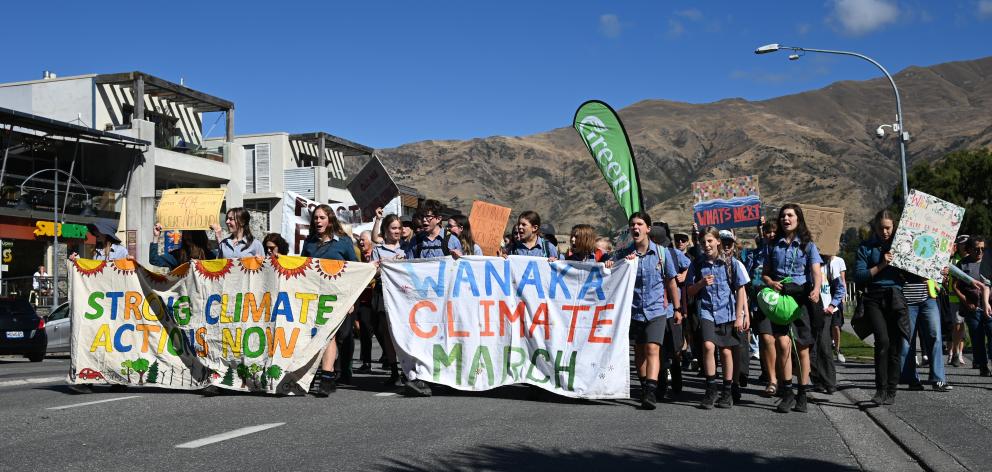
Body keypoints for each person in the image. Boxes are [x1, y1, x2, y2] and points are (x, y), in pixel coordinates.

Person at [606, 212, 680, 410]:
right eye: (632, 225)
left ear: (648, 228)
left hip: (656, 310)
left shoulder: (662, 254)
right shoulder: (624, 253)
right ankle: (644, 384)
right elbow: (611, 272)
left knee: (652, 349)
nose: (635, 228)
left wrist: (678, 308)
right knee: (638, 353)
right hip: (633, 310)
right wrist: (612, 265)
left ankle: (650, 391)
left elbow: (671, 281)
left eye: (639, 224)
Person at [761, 204, 822, 413]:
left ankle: (802, 393)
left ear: (798, 219)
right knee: (782, 344)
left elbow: (816, 271)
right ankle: (787, 392)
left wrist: (817, 289)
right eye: (783, 216)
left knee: (803, 348)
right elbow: (765, 274)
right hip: (780, 300)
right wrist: (771, 283)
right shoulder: (771, 245)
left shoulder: (808, 245)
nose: (786, 218)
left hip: (801, 300)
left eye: (790, 215)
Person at [687, 227, 749, 409]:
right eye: (703, 242)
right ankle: (710, 388)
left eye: (710, 241)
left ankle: (728, 390)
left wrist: (740, 316)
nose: (706, 245)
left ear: (717, 241)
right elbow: (689, 290)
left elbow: (740, 289)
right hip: (707, 311)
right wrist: (700, 283)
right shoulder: (697, 264)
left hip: (727, 311)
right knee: (707, 345)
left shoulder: (731, 263)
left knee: (726, 351)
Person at [301, 204, 358, 397]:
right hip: (316, 296)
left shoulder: (343, 242)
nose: (318, 221)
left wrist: (351, 299)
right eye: (315, 218)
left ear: (330, 220)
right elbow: (303, 269)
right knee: (326, 335)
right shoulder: (308, 243)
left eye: (322, 218)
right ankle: (326, 377)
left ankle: (333, 373)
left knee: (338, 335)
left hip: (340, 295)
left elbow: (354, 271)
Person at [855, 209, 909, 406]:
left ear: (894, 227)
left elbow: (914, 273)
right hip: (874, 298)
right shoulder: (866, 247)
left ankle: (892, 390)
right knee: (882, 341)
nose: (885, 232)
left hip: (895, 297)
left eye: (888, 228)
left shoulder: (903, 247)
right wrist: (882, 265)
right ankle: (880, 389)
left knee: (895, 345)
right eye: (881, 228)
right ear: (875, 228)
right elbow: (860, 276)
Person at [402, 200, 450, 397]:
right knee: (423, 338)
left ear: (438, 219)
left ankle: (446, 377)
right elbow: (408, 264)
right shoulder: (417, 240)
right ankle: (422, 377)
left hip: (446, 300)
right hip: (423, 301)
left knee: (445, 338)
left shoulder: (450, 240)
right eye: (422, 217)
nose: (424, 220)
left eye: (428, 217)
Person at [899, 273, 952, 391]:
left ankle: (938, 379)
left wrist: (941, 273)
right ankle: (911, 379)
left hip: (928, 298)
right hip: (906, 300)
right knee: (907, 340)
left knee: (935, 336)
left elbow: (937, 264)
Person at [371, 213, 406, 386]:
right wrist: (387, 262)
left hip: (404, 295)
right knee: (387, 333)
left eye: (399, 228)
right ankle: (394, 371)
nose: (397, 231)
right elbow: (373, 272)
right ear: (385, 230)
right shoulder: (378, 250)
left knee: (404, 332)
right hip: (383, 293)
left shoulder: (407, 248)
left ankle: (407, 370)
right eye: (393, 228)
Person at [749, 220, 779, 396]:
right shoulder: (757, 253)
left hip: (781, 301)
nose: (770, 235)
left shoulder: (784, 251)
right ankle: (771, 379)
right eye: (767, 232)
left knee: (781, 342)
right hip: (761, 301)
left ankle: (783, 377)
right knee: (766, 339)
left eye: (774, 232)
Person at [954, 236, 992, 377]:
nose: (980, 251)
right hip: (973, 308)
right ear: (969, 249)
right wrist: (965, 301)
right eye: (976, 249)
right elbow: (955, 286)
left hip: (990, 306)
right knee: (977, 338)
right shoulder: (963, 265)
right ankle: (982, 365)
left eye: (983, 248)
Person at [815, 253, 846, 394]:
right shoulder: (807, 266)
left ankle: (829, 381)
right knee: (811, 348)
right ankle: (818, 379)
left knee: (824, 346)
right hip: (809, 311)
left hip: (825, 312)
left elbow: (841, 288)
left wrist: (832, 305)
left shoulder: (829, 267)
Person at [945, 236, 970, 367]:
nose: (965, 246)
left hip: (970, 298)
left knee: (964, 327)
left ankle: (960, 353)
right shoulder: (953, 260)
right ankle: (954, 353)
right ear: (958, 246)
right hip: (955, 297)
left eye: (967, 244)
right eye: (962, 244)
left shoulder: (972, 259)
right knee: (958, 325)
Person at [149, 225, 216, 269]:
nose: (186, 236)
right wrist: (156, 237)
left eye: (190, 233)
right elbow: (154, 260)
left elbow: (224, 264)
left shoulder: (210, 255)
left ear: (198, 236)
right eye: (185, 232)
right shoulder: (177, 255)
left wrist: (219, 236)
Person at [825, 254, 849, 364]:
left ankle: (838, 350)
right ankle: (829, 345)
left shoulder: (840, 260)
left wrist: (843, 296)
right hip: (825, 293)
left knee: (836, 325)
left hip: (836, 294)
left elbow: (842, 278)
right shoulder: (820, 261)